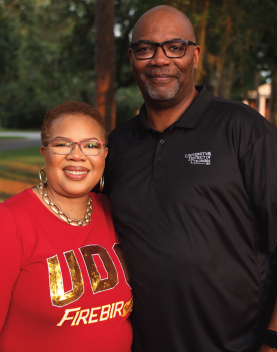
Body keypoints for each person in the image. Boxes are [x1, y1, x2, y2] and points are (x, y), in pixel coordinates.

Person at [104, 5, 277, 352]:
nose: (159, 59)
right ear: (132, 58)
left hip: (239, 344)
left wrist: (272, 342)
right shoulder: (118, 145)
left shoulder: (244, 129)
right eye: (145, 48)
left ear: (194, 55)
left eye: (174, 47)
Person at [0, 101, 133, 352]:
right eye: (62, 144)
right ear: (44, 153)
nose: (77, 154)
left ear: (104, 155)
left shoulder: (116, 211)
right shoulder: (9, 222)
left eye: (90, 145)